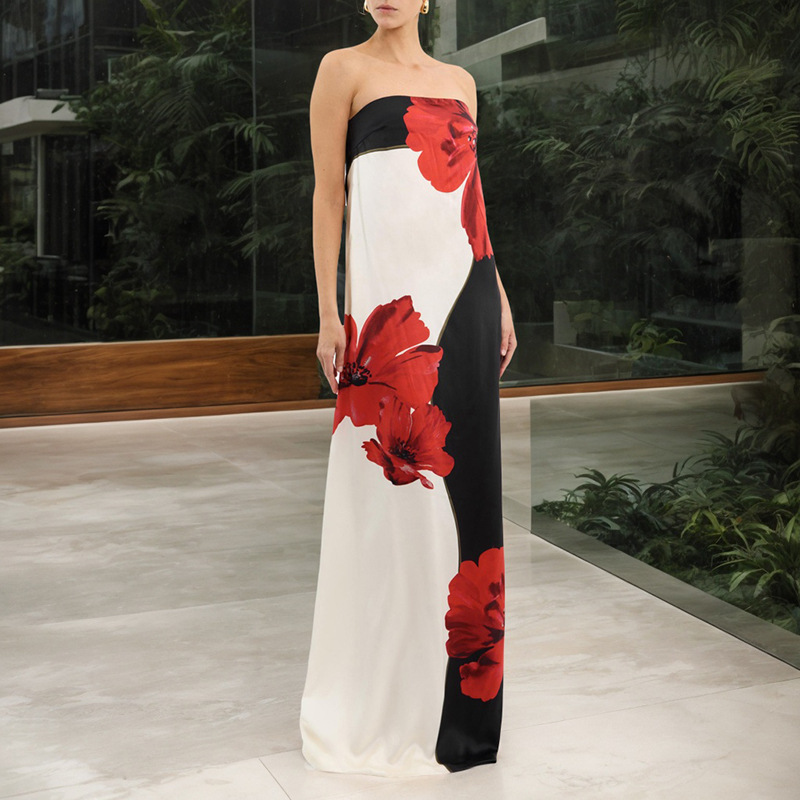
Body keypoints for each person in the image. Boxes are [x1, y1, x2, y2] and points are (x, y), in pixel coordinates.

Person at [299, 0, 517, 776]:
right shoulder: (342, 70)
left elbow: (470, 198)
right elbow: (329, 194)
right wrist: (328, 312)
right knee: (390, 490)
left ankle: (459, 713)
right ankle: (383, 695)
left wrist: (500, 295)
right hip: (389, 318)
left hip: (464, 294)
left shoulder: (459, 81)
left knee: (467, 486)